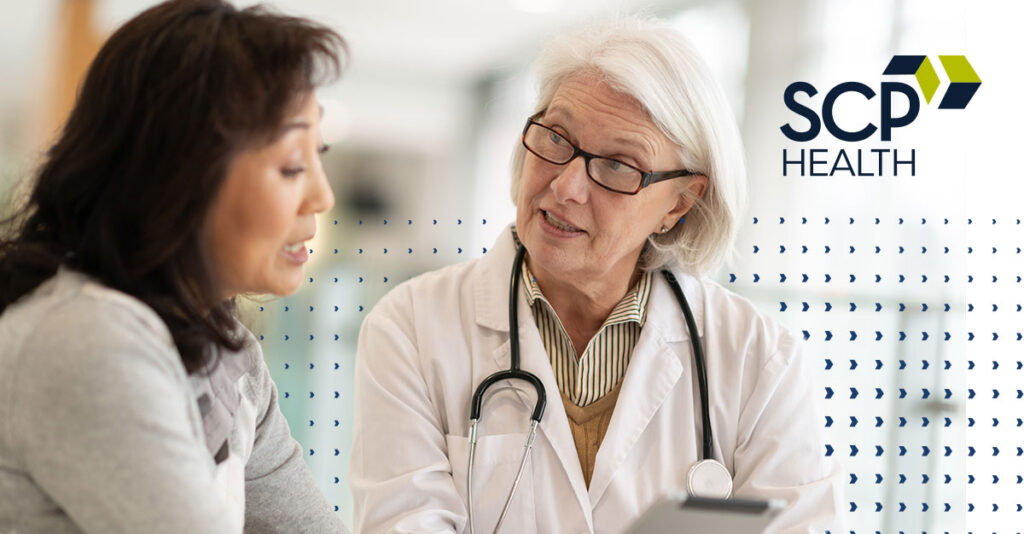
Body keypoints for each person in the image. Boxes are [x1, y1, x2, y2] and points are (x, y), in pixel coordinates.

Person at [350, 17, 844, 534]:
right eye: (557, 139)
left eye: (616, 165)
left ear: (679, 203)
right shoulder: (411, 327)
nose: (565, 186)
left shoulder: (758, 358)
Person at [0, 1, 349, 532]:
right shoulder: (87, 340)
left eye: (318, 156)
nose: (321, 195)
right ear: (181, 174)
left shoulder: (228, 353)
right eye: (292, 166)